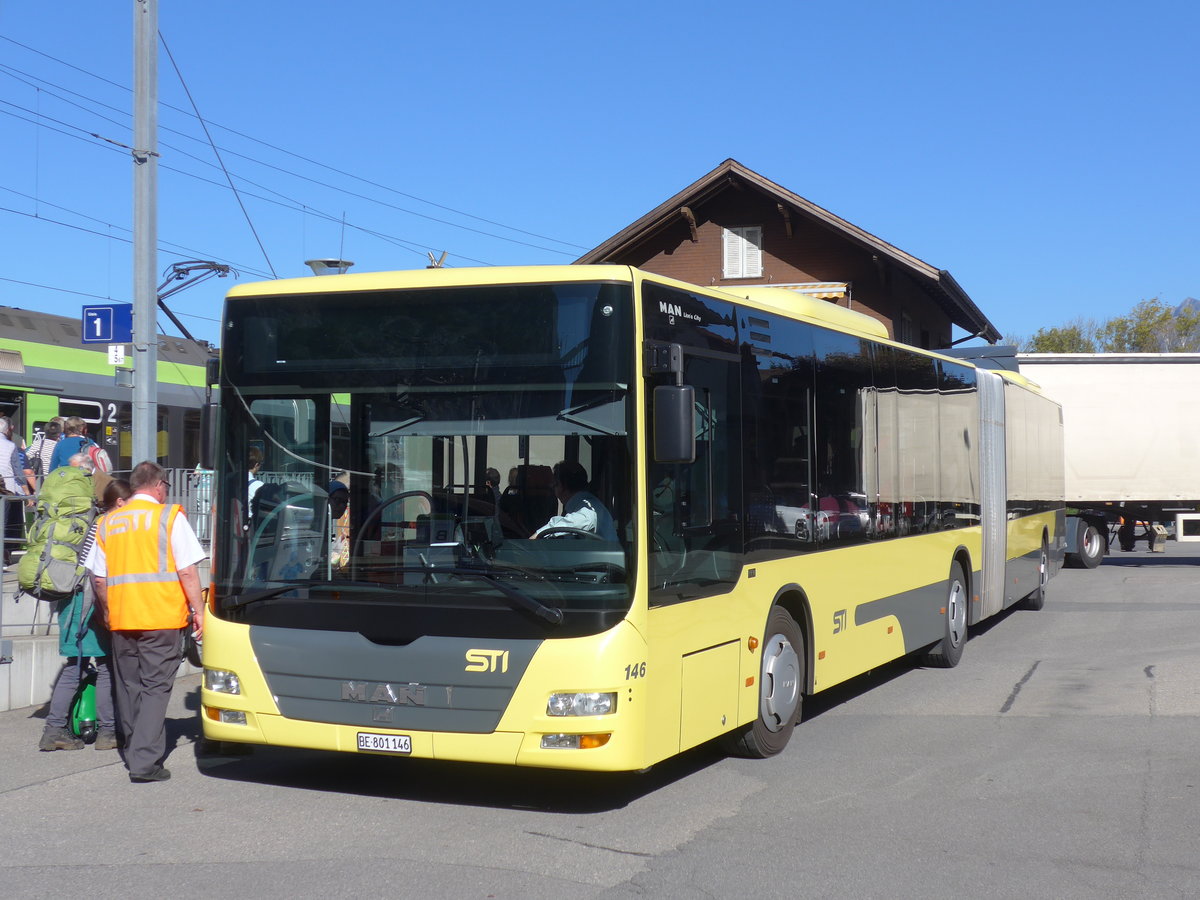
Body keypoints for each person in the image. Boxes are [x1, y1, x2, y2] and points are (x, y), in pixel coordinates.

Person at [85, 460, 207, 783]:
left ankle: (133, 745)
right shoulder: (169, 517)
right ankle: (144, 762)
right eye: (165, 486)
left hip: (123, 618)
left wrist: (109, 612)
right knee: (156, 687)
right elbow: (187, 571)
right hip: (162, 616)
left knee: (129, 685)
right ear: (158, 485)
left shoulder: (108, 523)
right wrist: (199, 611)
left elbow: (98, 579)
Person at [38, 478, 133, 752]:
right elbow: (100, 573)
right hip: (89, 604)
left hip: (71, 601)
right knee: (104, 666)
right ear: (118, 502)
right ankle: (106, 732)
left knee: (75, 665)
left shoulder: (87, 525)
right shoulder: (105, 525)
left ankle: (54, 729)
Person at [532, 461, 617, 541]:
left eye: (554, 485)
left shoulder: (589, 509)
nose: (553, 490)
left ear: (562, 486)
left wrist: (537, 535)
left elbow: (582, 519)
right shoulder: (580, 505)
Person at [0, 416, 31, 567]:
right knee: (3, 524)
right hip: (4, 489)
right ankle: (3, 557)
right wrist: (27, 493)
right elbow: (18, 472)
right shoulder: (10, 446)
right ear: (6, 431)